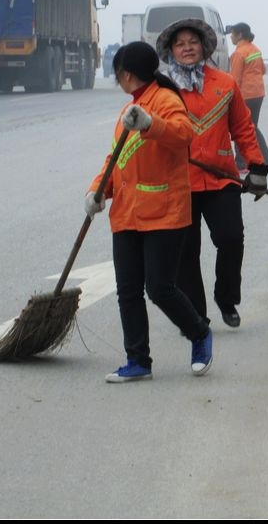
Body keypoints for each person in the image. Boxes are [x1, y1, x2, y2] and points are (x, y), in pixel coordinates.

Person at [84, 41, 213, 382]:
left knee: (159, 288)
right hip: (127, 213)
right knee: (127, 290)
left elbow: (183, 135)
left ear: (126, 74)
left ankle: (199, 333)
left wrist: (149, 123)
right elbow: (116, 158)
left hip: (164, 212)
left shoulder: (166, 100)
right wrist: (97, 191)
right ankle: (138, 360)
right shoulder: (130, 108)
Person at [155, 18, 268, 330]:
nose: (187, 48)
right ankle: (195, 317)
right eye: (180, 44)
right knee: (186, 253)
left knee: (232, 239)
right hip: (179, 184)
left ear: (204, 48)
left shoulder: (224, 83)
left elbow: (244, 129)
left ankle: (226, 297)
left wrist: (257, 167)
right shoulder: (161, 91)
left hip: (221, 179)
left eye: (193, 42)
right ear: (171, 51)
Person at [227, 22, 268, 171]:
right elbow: (263, 70)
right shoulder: (255, 50)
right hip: (258, 93)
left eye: (232, 35)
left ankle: (241, 163)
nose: (231, 38)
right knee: (252, 126)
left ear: (239, 35)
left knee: (241, 128)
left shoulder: (238, 53)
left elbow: (234, 79)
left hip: (245, 95)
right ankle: (267, 160)